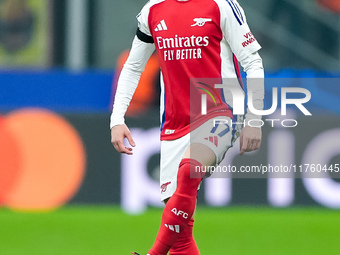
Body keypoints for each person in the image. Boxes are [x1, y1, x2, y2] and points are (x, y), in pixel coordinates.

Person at [110, 0, 264, 254]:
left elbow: (252, 62)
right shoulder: (153, 10)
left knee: (189, 170)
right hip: (175, 122)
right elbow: (134, 66)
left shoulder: (221, 5)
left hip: (221, 111)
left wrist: (254, 118)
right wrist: (117, 119)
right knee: (180, 236)